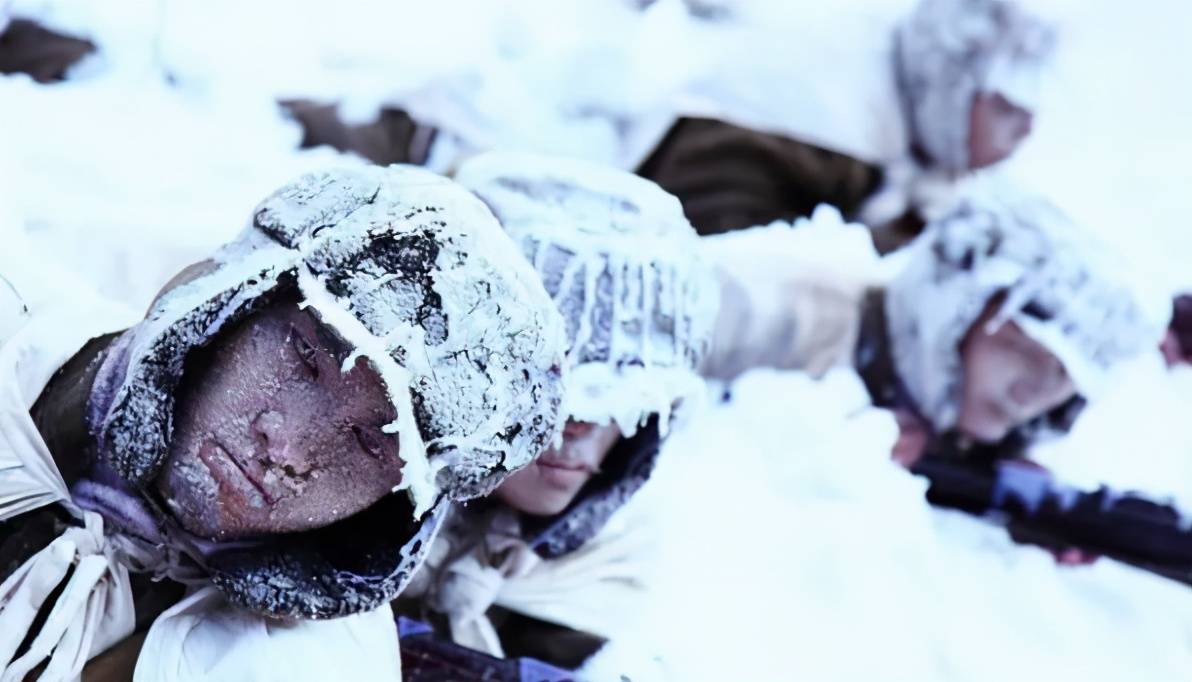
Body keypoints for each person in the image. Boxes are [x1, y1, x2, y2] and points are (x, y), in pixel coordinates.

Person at [0, 164, 568, 679]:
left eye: (371, 442)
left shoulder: (304, 669)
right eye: (302, 359)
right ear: (229, 304)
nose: (291, 449)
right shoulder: (13, 339)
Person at [394, 152, 718, 678]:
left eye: (623, 395)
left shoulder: (610, 565)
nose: (582, 424)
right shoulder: (338, 494)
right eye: (551, 388)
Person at [701, 187, 1159, 467]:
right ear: (958, 301)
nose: (1029, 394)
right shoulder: (769, 306)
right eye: (1022, 346)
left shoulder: (962, 428)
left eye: (1065, 376)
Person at [635, 0, 1057, 251]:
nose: (1025, 132)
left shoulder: (902, 141)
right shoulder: (835, 132)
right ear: (950, 86)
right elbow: (728, 259)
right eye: (1006, 108)